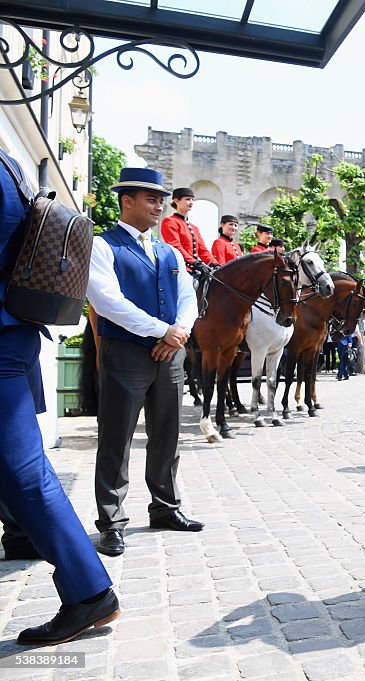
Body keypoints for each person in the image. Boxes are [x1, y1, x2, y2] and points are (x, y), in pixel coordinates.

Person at [0, 148, 120, 646]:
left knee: (23, 470)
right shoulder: (8, 162)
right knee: (21, 469)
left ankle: (88, 591)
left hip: (3, 336)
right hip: (16, 328)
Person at [86, 167, 204, 558]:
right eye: (150, 199)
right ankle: (112, 521)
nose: (159, 206)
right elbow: (107, 301)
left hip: (170, 352)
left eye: (160, 199)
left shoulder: (169, 251)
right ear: (127, 201)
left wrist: (179, 333)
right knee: (117, 438)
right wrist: (160, 331)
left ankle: (166, 507)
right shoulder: (103, 246)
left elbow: (187, 297)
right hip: (126, 353)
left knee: (167, 434)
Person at [160, 187, 218, 271]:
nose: (191, 202)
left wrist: (215, 264)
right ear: (176, 201)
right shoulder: (169, 222)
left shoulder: (194, 228)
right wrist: (194, 262)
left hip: (194, 269)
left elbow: (202, 250)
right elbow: (175, 246)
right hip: (178, 269)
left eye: (192, 199)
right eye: (187, 199)